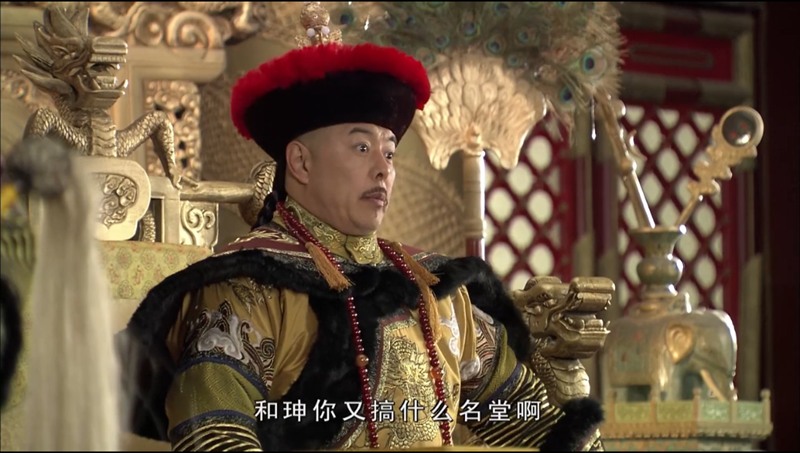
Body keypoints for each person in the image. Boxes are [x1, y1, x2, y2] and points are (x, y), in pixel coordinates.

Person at [118, 6, 605, 451]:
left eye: (389, 151)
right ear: (300, 162)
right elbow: (213, 433)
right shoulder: (248, 288)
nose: (383, 168)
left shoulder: (431, 289)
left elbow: (529, 417)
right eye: (361, 147)